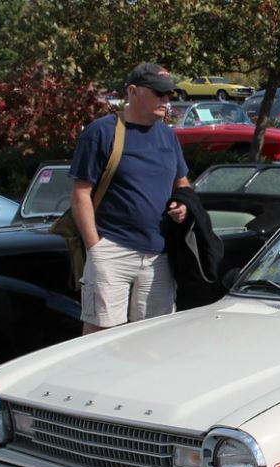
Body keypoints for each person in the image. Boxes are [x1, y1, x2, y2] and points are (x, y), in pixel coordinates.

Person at [70, 62, 190, 335]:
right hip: (112, 249)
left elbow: (182, 184)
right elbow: (80, 192)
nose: (165, 100)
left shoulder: (168, 136)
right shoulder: (101, 132)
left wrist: (182, 205)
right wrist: (96, 247)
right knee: (100, 339)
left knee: (154, 339)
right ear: (133, 92)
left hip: (158, 255)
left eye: (168, 94)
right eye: (159, 93)